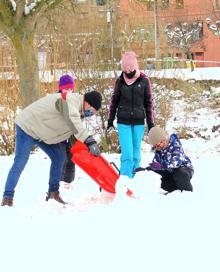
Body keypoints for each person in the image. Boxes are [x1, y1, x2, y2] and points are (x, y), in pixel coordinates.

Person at [1, 88, 102, 207]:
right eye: (93, 110)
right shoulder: (69, 101)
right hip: (27, 126)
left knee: (59, 157)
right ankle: (7, 198)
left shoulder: (79, 112)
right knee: (20, 162)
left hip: (42, 132)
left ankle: (53, 193)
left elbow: (74, 131)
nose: (92, 114)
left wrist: (87, 147)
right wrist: (89, 140)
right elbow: (73, 122)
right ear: (87, 103)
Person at [107, 51, 154, 179]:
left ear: (135, 66)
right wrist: (110, 120)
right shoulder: (120, 81)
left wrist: (151, 124)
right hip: (123, 122)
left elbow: (148, 103)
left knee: (135, 153)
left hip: (139, 122)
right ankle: (125, 180)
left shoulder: (144, 81)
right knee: (127, 153)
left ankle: (135, 178)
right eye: (125, 70)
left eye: (131, 69)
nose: (128, 72)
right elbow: (114, 102)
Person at [146, 126, 194, 194]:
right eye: (154, 146)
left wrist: (162, 165)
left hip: (183, 169)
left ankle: (187, 194)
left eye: (157, 145)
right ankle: (173, 190)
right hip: (169, 172)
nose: (156, 147)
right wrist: (145, 170)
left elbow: (176, 162)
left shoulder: (175, 145)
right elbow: (155, 166)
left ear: (163, 140)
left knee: (180, 173)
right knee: (156, 175)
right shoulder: (159, 151)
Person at [58, 74, 76, 188]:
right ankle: (58, 180)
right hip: (58, 134)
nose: (69, 91)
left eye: (71, 89)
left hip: (70, 133)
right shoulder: (56, 99)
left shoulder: (74, 100)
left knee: (71, 157)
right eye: (66, 89)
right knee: (61, 158)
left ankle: (68, 181)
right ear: (60, 88)